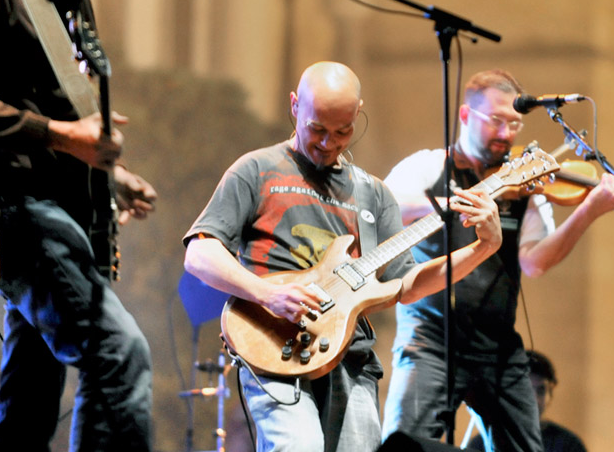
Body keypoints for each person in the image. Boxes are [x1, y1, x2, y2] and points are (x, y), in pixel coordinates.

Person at [183, 61, 503, 452]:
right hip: (274, 347)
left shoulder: (373, 194)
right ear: (295, 105)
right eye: (317, 128)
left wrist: (482, 247)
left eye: (343, 131)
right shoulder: (256, 169)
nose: (328, 143)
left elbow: (407, 285)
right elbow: (200, 252)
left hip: (351, 358)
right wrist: (267, 294)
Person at [0, 0, 159, 450]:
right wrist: (60, 136)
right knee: (119, 354)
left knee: (28, 404)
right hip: (18, 214)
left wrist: (108, 177)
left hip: (65, 217)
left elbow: (64, 116)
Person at [380, 69, 614, 452]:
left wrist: (587, 212)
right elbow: (384, 206)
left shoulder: (521, 182)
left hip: (497, 345)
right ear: (465, 116)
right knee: (404, 446)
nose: (506, 134)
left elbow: (536, 262)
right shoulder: (429, 167)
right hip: (430, 338)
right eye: (496, 121)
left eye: (514, 124)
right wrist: (457, 201)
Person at [467, 350, 587, 452]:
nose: (534, 400)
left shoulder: (569, 445)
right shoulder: (483, 443)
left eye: (541, 391)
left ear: (550, 394)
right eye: (526, 390)